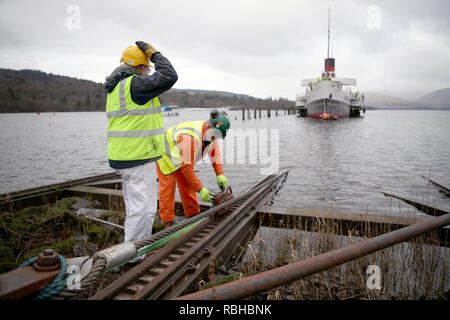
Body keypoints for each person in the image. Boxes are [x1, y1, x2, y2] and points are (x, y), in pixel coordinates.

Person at [105, 41, 178, 260]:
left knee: (135, 207)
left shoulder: (116, 87)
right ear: (139, 67)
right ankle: (133, 258)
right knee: (144, 210)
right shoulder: (134, 85)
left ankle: (132, 250)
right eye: (146, 67)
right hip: (137, 158)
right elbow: (169, 76)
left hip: (126, 157)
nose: (148, 72)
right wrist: (155, 54)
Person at [156, 111, 230, 228]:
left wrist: (220, 174)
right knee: (168, 189)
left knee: (188, 186)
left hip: (182, 157)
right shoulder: (191, 137)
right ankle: (167, 222)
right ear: (210, 126)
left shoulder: (211, 136)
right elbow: (187, 168)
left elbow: (215, 155)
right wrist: (201, 189)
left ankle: (193, 216)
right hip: (166, 156)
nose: (216, 139)